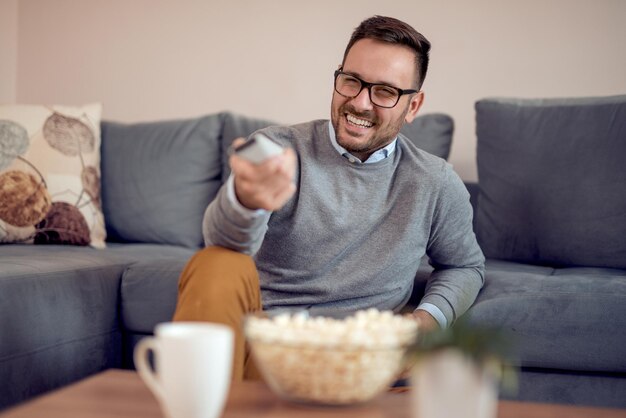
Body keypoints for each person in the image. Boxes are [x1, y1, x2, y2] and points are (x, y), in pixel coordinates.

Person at [173, 15, 485, 380]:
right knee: (216, 263)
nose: (360, 103)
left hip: (356, 358)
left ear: (413, 106)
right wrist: (245, 199)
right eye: (351, 81)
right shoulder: (278, 150)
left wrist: (428, 318)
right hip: (265, 344)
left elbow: (465, 266)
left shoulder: (434, 181)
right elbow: (222, 244)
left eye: (384, 91)